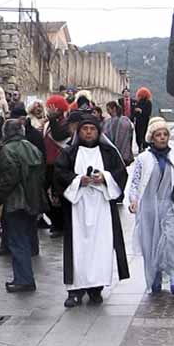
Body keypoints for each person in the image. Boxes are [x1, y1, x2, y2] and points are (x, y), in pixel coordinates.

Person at [54, 115, 129, 307]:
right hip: (77, 208)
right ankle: (75, 290)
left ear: (98, 132)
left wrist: (104, 177)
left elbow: (121, 173)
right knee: (77, 248)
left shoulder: (109, 153)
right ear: (79, 132)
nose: (88, 132)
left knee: (99, 248)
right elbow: (60, 174)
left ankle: (96, 289)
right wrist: (79, 180)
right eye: (85, 129)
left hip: (102, 208)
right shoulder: (69, 153)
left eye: (92, 129)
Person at [128, 117, 174, 295]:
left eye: (165, 134)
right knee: (152, 244)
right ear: (152, 137)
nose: (162, 138)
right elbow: (135, 182)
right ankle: (155, 276)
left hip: (171, 206)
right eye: (158, 135)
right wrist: (134, 200)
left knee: (173, 242)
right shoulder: (143, 159)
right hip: (149, 208)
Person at [0, 120, 47, 293]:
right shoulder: (32, 148)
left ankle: (23, 279)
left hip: (16, 202)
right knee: (25, 239)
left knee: (17, 241)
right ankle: (24, 278)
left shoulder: (7, 149)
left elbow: (9, 177)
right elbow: (41, 175)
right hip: (32, 200)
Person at [44, 95, 70, 238]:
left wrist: (53, 119)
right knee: (44, 193)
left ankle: (60, 224)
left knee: (58, 196)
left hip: (59, 164)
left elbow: (59, 136)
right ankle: (55, 221)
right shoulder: (48, 123)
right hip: (47, 164)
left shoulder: (66, 123)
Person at [103, 101, 135, 166]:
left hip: (116, 153)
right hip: (125, 153)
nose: (107, 112)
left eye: (108, 109)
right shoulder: (126, 120)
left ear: (114, 108)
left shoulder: (112, 121)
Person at [133, 87, 153, 152]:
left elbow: (148, 113)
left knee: (141, 134)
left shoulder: (148, 103)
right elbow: (134, 112)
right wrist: (136, 111)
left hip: (144, 121)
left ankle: (142, 146)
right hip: (139, 121)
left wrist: (141, 111)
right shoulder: (138, 102)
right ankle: (141, 146)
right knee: (138, 134)